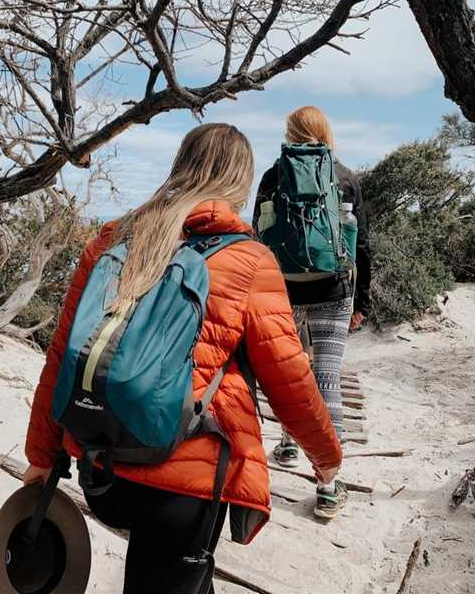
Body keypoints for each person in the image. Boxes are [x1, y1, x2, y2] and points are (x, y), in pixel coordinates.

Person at [22, 123, 342, 594]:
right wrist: (326, 457)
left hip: (100, 465)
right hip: (184, 479)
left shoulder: (113, 239)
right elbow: (290, 377)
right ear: (240, 181)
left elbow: (62, 354)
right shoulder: (250, 260)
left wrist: (41, 456)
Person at [252, 106, 369, 518]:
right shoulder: (347, 179)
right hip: (334, 291)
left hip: (283, 290)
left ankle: (287, 441)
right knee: (326, 380)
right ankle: (328, 485)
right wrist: (363, 302)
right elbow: (362, 246)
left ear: (290, 132)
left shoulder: (272, 177)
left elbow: (256, 238)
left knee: (291, 373)